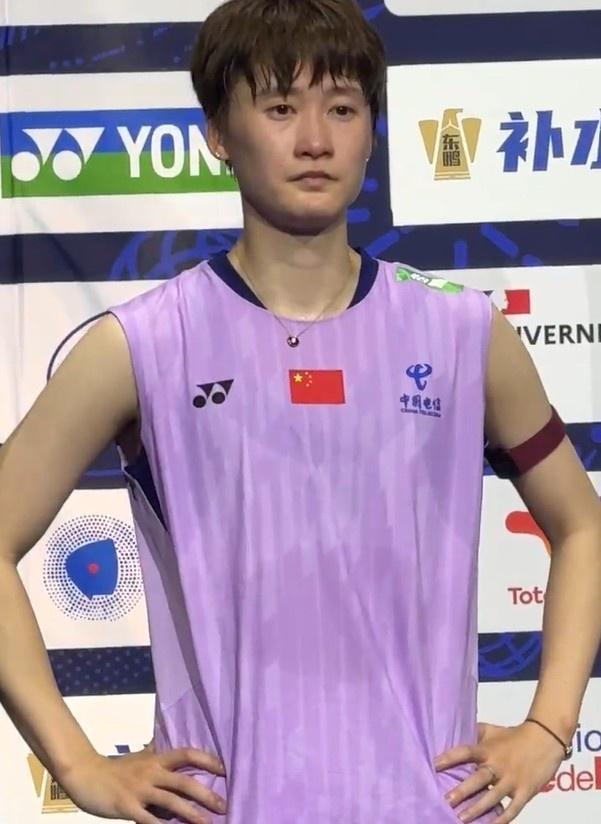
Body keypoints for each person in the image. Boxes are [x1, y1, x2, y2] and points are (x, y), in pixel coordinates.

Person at [0, 0, 600, 822]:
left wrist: (547, 729)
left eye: (342, 109)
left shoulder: (464, 332)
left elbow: (581, 524)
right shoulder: (141, 344)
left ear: (370, 132)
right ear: (219, 132)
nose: (315, 139)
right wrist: (75, 764)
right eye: (280, 108)